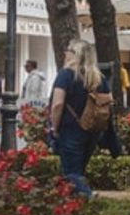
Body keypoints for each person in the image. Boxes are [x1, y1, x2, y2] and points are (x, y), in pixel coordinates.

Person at [48, 40, 121, 197]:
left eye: (68, 50)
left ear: (76, 54)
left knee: (71, 173)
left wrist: (54, 127)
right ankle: (76, 207)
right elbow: (108, 104)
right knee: (78, 172)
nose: (65, 53)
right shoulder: (98, 77)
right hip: (92, 131)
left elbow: (57, 104)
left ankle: (89, 197)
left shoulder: (66, 75)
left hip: (70, 131)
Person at [18, 56, 52, 147]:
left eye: (27, 66)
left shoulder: (35, 78)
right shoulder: (30, 77)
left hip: (32, 106)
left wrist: (30, 105)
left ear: (32, 67)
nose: (25, 67)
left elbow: (33, 93)